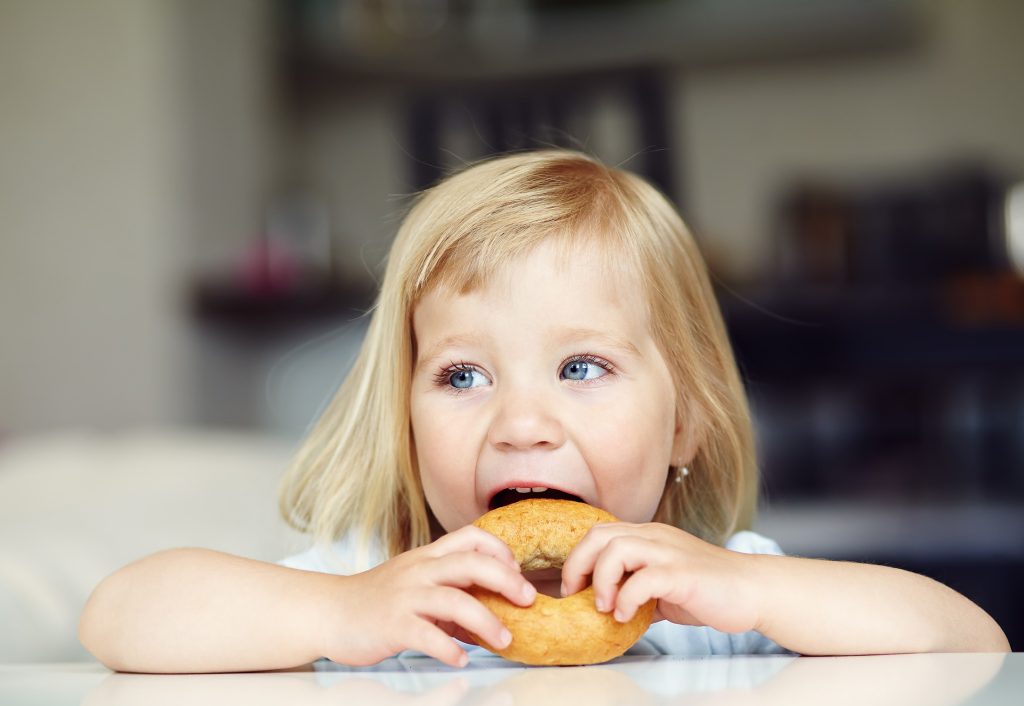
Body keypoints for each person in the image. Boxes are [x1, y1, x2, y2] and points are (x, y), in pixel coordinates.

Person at [79, 150, 1009, 673]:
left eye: (580, 365)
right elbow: (119, 617)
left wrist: (757, 589)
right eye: (462, 378)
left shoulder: (707, 600)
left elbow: (974, 646)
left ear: (685, 421)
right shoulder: (389, 591)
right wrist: (335, 610)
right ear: (402, 419)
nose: (522, 423)